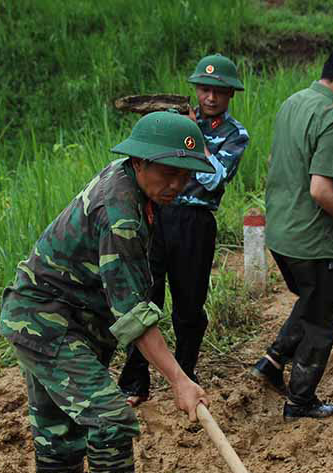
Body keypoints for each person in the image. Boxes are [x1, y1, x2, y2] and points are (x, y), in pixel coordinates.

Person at [0, 112, 213, 473]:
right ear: (140, 162)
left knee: (58, 424)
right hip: (45, 320)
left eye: (185, 175)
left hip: (66, 318)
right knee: (111, 418)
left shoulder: (134, 187)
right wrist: (179, 380)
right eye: (168, 172)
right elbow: (133, 315)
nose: (177, 184)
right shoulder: (120, 214)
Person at [250, 41, 333, 422]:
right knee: (322, 318)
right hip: (313, 242)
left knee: (309, 299)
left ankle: (273, 361)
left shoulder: (293, 103)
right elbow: (321, 191)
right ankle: (301, 400)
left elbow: (277, 161)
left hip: (281, 234)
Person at [118, 54, 249, 406]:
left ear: (230, 94)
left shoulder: (234, 134)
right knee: (145, 297)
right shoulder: (175, 122)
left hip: (194, 222)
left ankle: (186, 377)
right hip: (156, 215)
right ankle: (134, 382)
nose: (210, 97)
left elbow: (213, 178)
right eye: (204, 89)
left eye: (218, 91)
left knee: (189, 305)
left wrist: (194, 136)